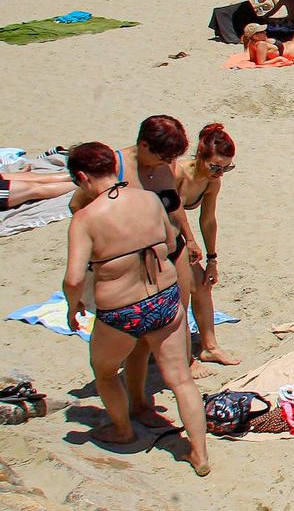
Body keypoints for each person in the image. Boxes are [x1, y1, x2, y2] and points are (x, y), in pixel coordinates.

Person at [61, 142, 209, 476]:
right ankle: (199, 454)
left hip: (122, 311)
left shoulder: (85, 219)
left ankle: (123, 430)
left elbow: (73, 279)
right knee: (182, 380)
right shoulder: (150, 200)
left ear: (83, 177)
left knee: (105, 372)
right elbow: (171, 245)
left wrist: (73, 308)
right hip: (165, 302)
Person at [169, 124, 239, 366]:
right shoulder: (178, 174)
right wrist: (189, 241)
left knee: (202, 284)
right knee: (181, 293)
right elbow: (174, 210)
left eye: (226, 168)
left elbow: (208, 220)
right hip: (157, 233)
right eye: (216, 167)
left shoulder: (211, 182)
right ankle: (184, 356)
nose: (220, 173)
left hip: (179, 236)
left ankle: (209, 346)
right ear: (200, 156)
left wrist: (212, 259)